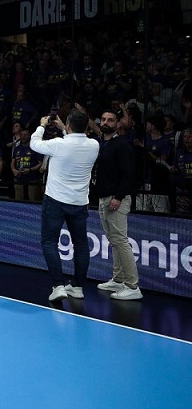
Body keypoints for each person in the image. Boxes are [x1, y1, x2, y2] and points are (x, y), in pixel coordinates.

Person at [30, 109, 99, 302]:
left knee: (49, 242)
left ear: (69, 125)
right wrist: (64, 129)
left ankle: (58, 285)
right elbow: (74, 142)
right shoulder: (94, 145)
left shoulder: (58, 144)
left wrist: (42, 126)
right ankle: (77, 287)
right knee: (81, 244)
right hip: (79, 203)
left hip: (55, 201)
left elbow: (34, 144)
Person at [94, 110, 142, 300]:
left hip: (116, 199)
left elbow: (129, 174)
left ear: (117, 124)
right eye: (103, 119)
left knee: (120, 241)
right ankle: (119, 278)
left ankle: (132, 285)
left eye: (110, 120)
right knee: (113, 240)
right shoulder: (102, 143)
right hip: (103, 197)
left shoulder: (122, 144)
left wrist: (119, 197)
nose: (106, 122)